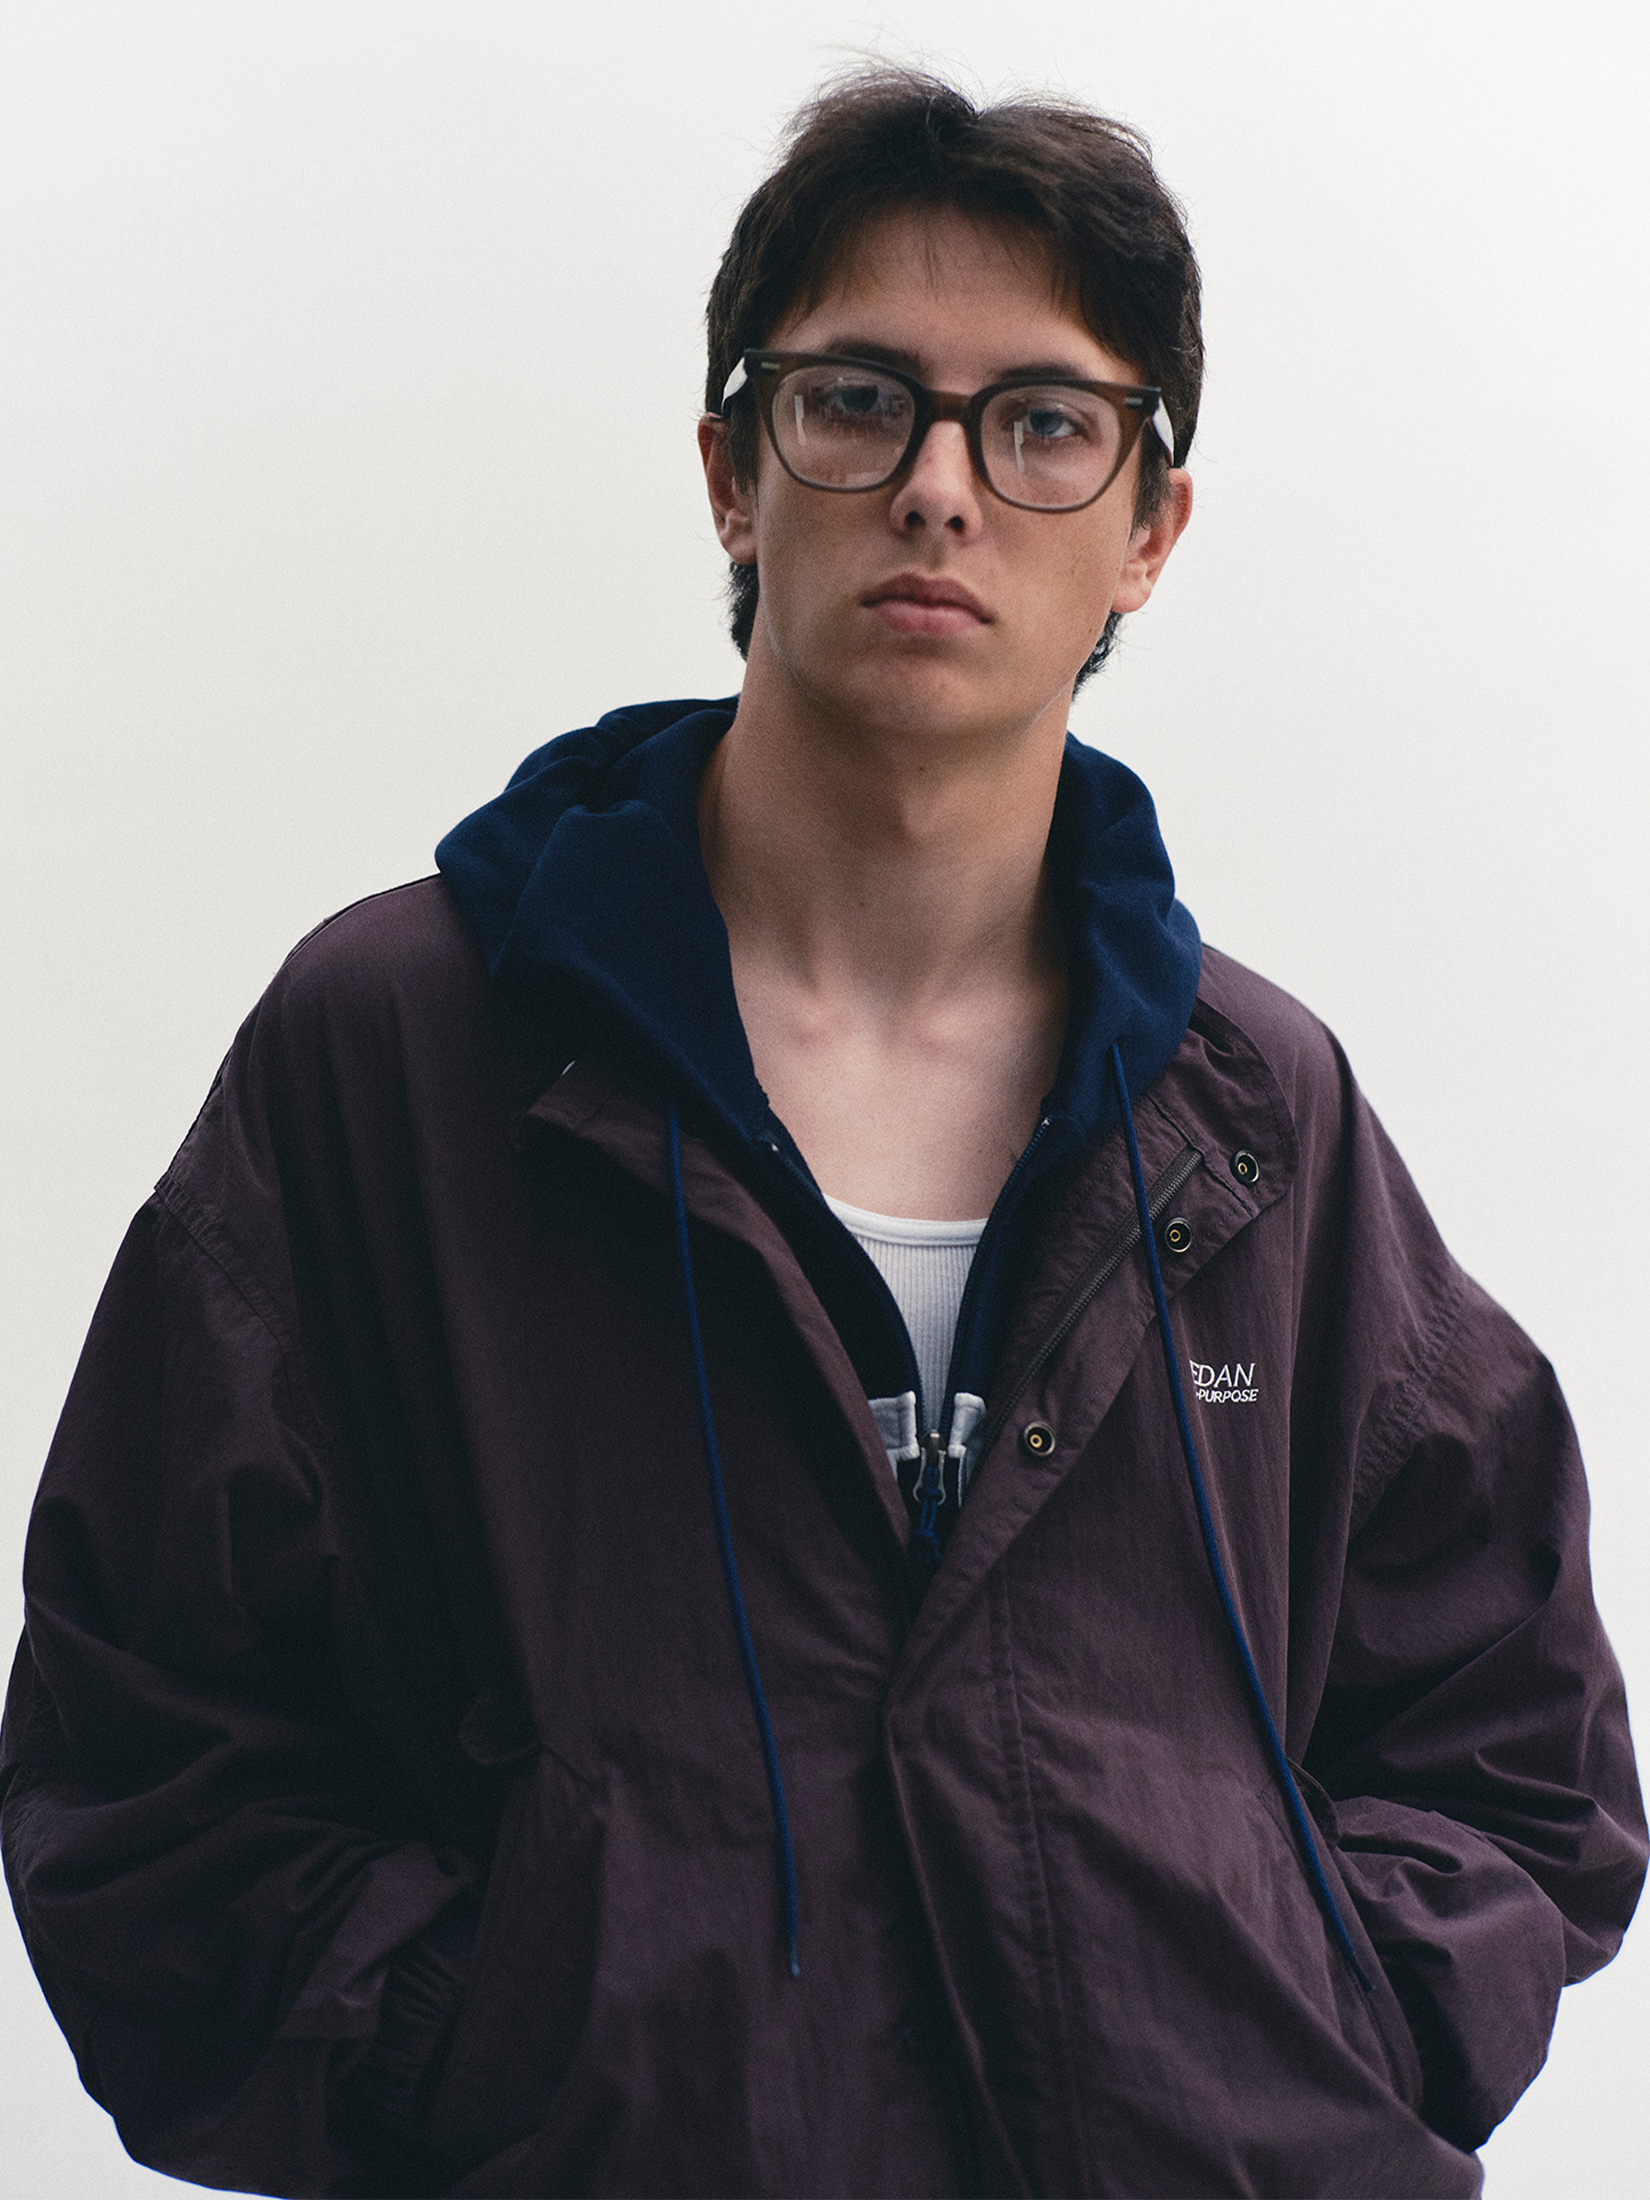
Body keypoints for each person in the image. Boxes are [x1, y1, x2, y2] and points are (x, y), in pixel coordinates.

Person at [2, 65, 1642, 2200]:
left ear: (1150, 528)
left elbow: (1515, 1742)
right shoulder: (401, 1052)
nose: (940, 488)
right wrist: (467, 2051)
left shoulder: (1255, 1113)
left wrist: (1325, 2017)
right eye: (858, 401)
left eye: (1042, 423)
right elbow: (141, 1745)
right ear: (731, 471)